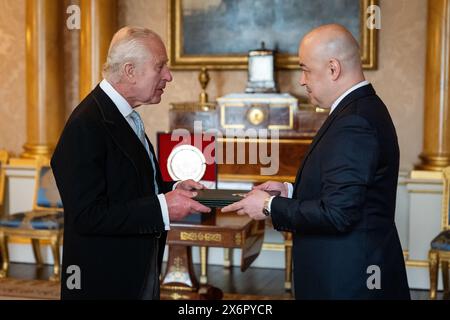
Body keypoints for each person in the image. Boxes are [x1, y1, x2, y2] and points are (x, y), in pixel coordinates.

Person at [222, 24, 410, 299]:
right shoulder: (358, 110)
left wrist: (268, 205)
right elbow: (345, 193)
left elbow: (338, 214)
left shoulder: (354, 121)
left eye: (306, 69)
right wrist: (289, 191)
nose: (301, 80)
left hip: (349, 282)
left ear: (333, 69)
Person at [51, 26, 211, 300]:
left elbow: (130, 182)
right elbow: (87, 216)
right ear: (129, 71)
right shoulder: (86, 125)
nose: (168, 76)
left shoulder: (123, 115)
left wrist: (173, 187)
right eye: (160, 67)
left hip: (135, 270)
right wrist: (163, 206)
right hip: (104, 282)